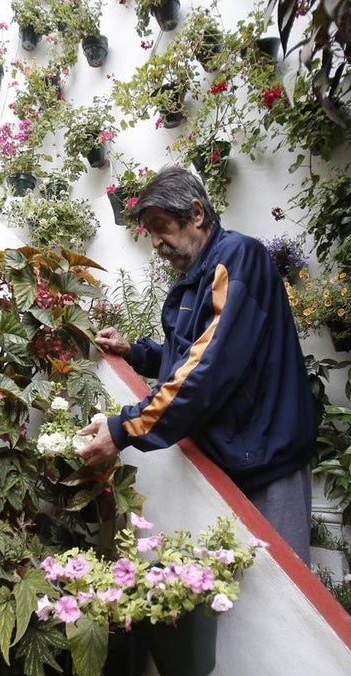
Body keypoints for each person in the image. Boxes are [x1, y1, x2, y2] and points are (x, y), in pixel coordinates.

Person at [75, 166, 318, 563]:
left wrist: (123, 429)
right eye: (149, 233)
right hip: (233, 457)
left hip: (267, 460)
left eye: (161, 226)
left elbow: (208, 370)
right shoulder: (197, 276)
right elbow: (188, 356)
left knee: (283, 588)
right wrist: (136, 352)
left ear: (197, 214)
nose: (155, 242)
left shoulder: (238, 259)